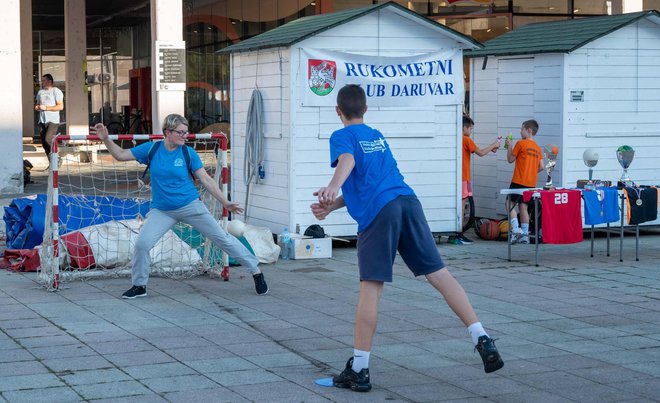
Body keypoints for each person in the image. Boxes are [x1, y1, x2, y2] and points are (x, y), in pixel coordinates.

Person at [311, 85, 503, 392]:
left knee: (371, 287)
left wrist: (332, 186)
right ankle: (481, 336)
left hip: (381, 212)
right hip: (408, 202)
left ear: (338, 111)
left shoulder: (342, 136)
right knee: (439, 275)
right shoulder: (376, 136)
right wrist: (332, 206)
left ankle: (359, 369)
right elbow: (370, 180)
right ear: (366, 109)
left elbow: (347, 161)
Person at [92, 114, 268, 298]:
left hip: (190, 206)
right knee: (142, 245)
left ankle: (256, 271)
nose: (186, 136)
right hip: (162, 210)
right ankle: (139, 285)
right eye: (181, 132)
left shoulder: (187, 153)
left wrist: (225, 202)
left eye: (186, 132)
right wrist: (105, 139)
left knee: (222, 238)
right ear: (168, 132)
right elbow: (120, 155)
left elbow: (206, 180)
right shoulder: (152, 149)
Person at [448, 115, 500, 245]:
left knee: (457, 205)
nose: (471, 131)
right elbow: (481, 153)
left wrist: (490, 148)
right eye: (470, 128)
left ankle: (453, 232)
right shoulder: (466, 139)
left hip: (455, 176)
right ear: (464, 128)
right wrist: (494, 144)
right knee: (462, 205)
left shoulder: (455, 138)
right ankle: (458, 234)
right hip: (464, 177)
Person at [504, 119, 544, 245]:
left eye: (522, 129)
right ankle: (525, 235)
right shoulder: (537, 148)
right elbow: (542, 166)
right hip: (531, 183)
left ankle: (516, 230)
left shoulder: (521, 143)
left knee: (509, 204)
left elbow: (510, 159)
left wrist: (509, 145)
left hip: (518, 180)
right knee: (523, 207)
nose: (520, 131)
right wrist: (531, 172)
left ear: (529, 130)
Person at [35, 74, 64, 156]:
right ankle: (51, 163)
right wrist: (37, 107)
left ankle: (57, 157)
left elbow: (60, 106)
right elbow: (37, 104)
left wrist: (46, 108)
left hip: (52, 120)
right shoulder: (40, 92)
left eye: (44, 80)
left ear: (49, 81)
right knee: (44, 143)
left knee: (48, 139)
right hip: (42, 120)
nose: (42, 82)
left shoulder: (56, 91)